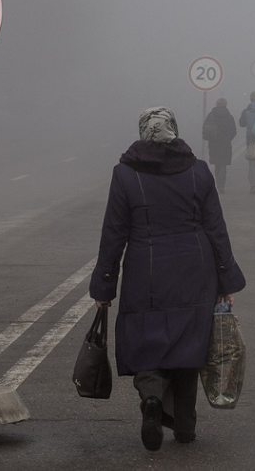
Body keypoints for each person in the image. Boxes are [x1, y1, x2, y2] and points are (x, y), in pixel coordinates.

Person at [90, 106, 244, 451]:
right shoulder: (199, 172)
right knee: (188, 348)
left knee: (148, 344)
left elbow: (114, 233)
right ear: (173, 130)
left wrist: (104, 286)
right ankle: (185, 429)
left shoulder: (125, 174)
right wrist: (226, 281)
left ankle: (151, 398)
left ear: (143, 131)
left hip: (146, 271)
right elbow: (216, 229)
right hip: (195, 270)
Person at [201, 98, 237, 193]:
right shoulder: (229, 117)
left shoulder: (211, 115)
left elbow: (205, 128)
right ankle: (221, 186)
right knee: (222, 165)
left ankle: (218, 184)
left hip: (214, 143)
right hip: (225, 144)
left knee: (217, 164)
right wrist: (227, 138)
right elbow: (234, 131)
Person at [237, 91, 255, 194]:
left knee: (252, 163)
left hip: (251, 138)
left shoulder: (246, 111)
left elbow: (242, 123)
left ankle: (254, 186)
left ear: (250, 99)